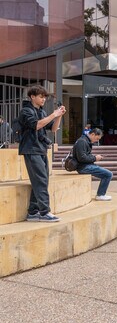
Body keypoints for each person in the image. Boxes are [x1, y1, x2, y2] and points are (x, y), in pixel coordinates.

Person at [19, 85, 66, 222]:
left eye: (45, 96)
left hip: (40, 149)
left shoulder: (42, 112)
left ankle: (33, 212)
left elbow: (53, 128)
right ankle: (44, 212)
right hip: (30, 149)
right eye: (41, 96)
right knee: (40, 180)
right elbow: (36, 125)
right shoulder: (26, 111)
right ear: (32, 97)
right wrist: (54, 114)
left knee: (42, 180)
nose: (44, 99)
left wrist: (59, 116)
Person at [73, 128, 113, 201]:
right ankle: (100, 194)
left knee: (107, 174)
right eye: (97, 139)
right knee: (108, 174)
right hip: (83, 167)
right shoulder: (82, 141)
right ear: (92, 134)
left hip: (84, 166)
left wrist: (95, 157)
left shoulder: (84, 140)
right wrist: (95, 158)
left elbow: (84, 156)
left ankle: (101, 194)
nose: (97, 141)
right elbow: (82, 158)